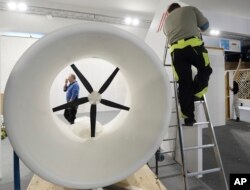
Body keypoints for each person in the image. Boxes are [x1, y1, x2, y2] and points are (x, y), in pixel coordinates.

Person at [163, 3, 213, 126]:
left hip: (176, 52)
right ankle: (196, 93)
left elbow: (167, 35)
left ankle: (189, 119)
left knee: (183, 83)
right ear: (179, 7)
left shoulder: (166, 21)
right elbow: (205, 26)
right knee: (205, 69)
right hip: (193, 46)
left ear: (169, 12)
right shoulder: (190, 9)